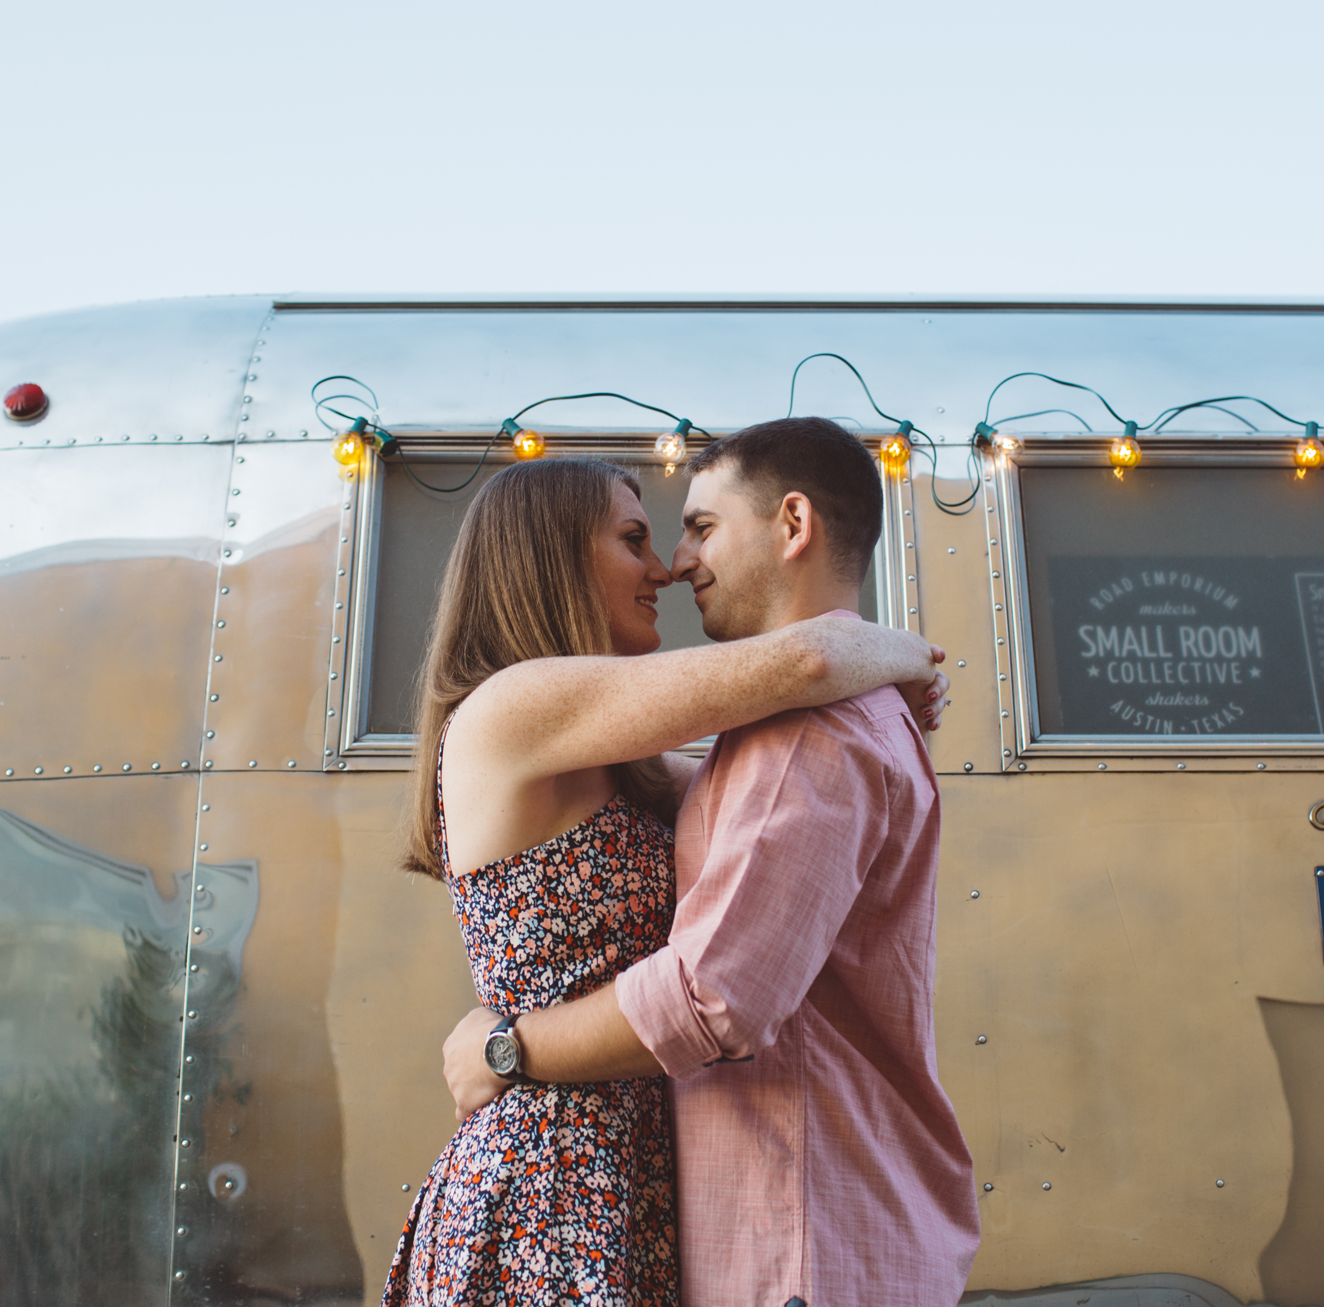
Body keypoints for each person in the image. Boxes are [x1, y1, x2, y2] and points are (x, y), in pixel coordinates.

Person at [382, 449, 949, 1307]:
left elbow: (753, 789)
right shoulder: (512, 704)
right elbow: (806, 666)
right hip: (549, 1178)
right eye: (634, 538)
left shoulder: (629, 765)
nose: (663, 569)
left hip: (627, 1178)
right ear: (555, 554)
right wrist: (908, 653)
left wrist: (884, 691)